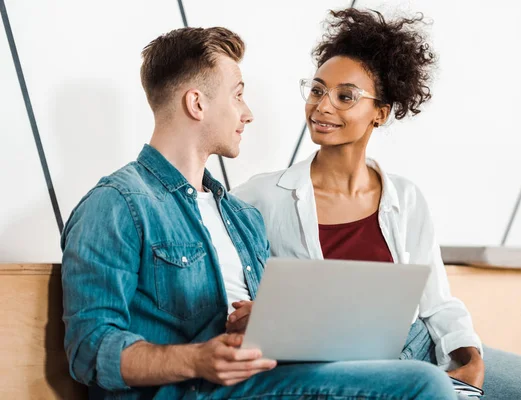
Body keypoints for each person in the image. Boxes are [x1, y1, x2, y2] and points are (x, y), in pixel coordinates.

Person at [60, 26, 457, 400]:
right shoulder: (117, 203)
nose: (247, 113)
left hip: (270, 375)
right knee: (426, 385)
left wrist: (264, 320)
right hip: (197, 390)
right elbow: (89, 348)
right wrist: (196, 359)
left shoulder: (239, 214)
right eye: (237, 95)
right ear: (196, 104)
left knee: (459, 373)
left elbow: (266, 325)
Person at [231, 9, 521, 400]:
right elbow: (234, 299)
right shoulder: (259, 197)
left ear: (380, 113)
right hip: (350, 371)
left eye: (345, 97)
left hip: (422, 345)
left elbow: (437, 302)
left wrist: (468, 354)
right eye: (317, 90)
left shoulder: (405, 198)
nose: (322, 106)